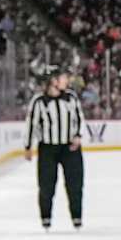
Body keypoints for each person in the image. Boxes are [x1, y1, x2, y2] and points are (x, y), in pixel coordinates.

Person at [24, 68, 84, 231]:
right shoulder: (39, 101)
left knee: (75, 183)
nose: (67, 81)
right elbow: (31, 124)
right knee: (46, 185)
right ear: (54, 81)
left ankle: (77, 216)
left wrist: (78, 136)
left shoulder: (71, 97)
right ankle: (46, 217)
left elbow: (79, 118)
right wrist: (28, 146)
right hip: (48, 148)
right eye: (64, 78)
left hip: (69, 147)